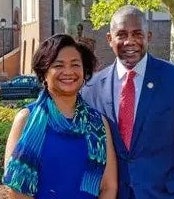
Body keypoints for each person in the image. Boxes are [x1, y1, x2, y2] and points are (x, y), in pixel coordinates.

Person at [81, 5, 174, 199]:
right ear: (109, 39)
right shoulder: (91, 88)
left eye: (137, 34)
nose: (130, 41)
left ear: (148, 37)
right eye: (121, 34)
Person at [2, 34, 117, 199]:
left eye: (75, 64)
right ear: (44, 74)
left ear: (85, 72)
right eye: (58, 65)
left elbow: (108, 186)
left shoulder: (98, 123)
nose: (68, 72)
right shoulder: (26, 119)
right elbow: (16, 189)